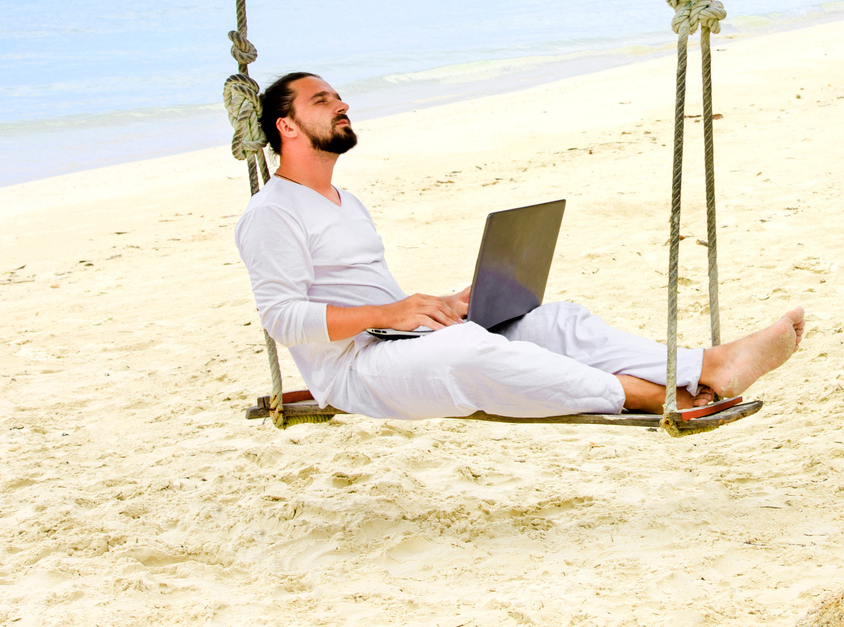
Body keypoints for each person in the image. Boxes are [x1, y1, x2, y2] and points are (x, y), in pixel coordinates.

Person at [234, 71, 804, 420]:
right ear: (285, 126)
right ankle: (649, 395)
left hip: (397, 337)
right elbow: (283, 318)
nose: (342, 105)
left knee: (553, 322)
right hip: (354, 370)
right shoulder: (271, 213)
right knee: (471, 354)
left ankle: (706, 364)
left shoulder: (343, 199)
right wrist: (394, 311)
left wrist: (452, 303)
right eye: (322, 100)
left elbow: (374, 299)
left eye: (339, 96)